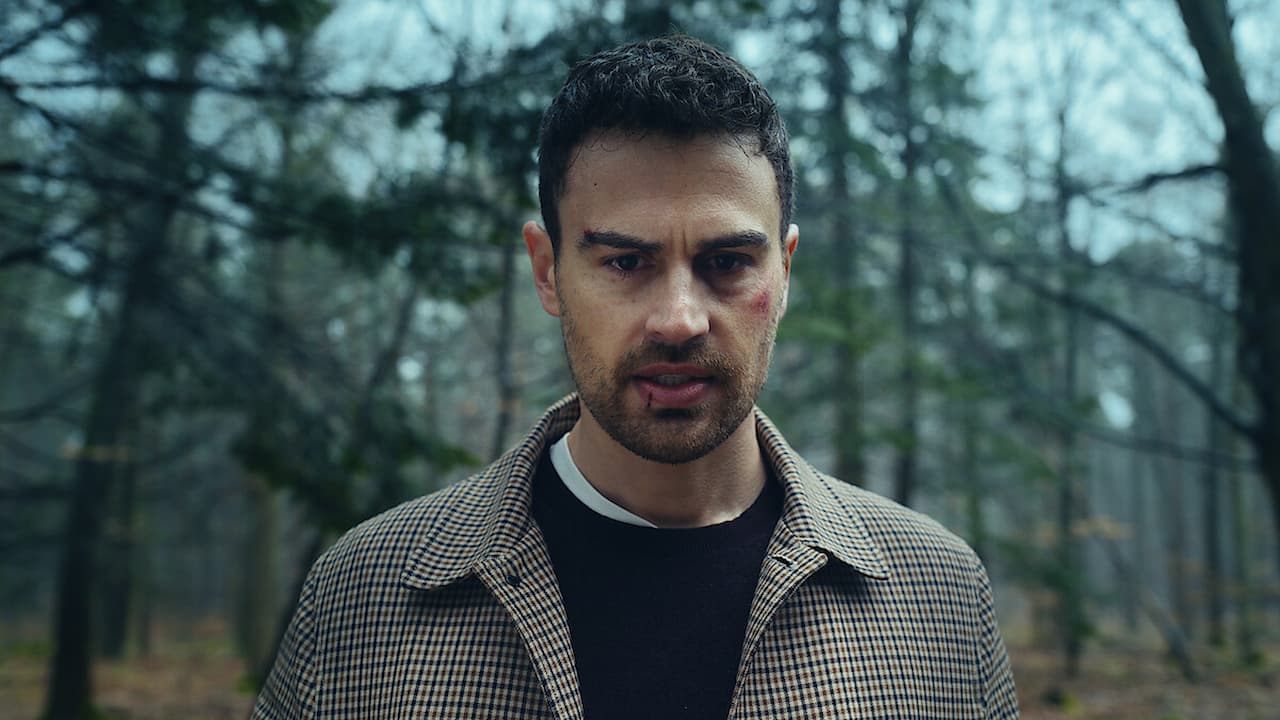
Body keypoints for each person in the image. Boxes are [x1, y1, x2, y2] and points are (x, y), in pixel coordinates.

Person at [253, 35, 1019, 719]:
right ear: (548, 272)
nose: (679, 320)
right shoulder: (362, 599)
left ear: (783, 274)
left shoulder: (940, 600)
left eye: (727, 262)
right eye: (625, 262)